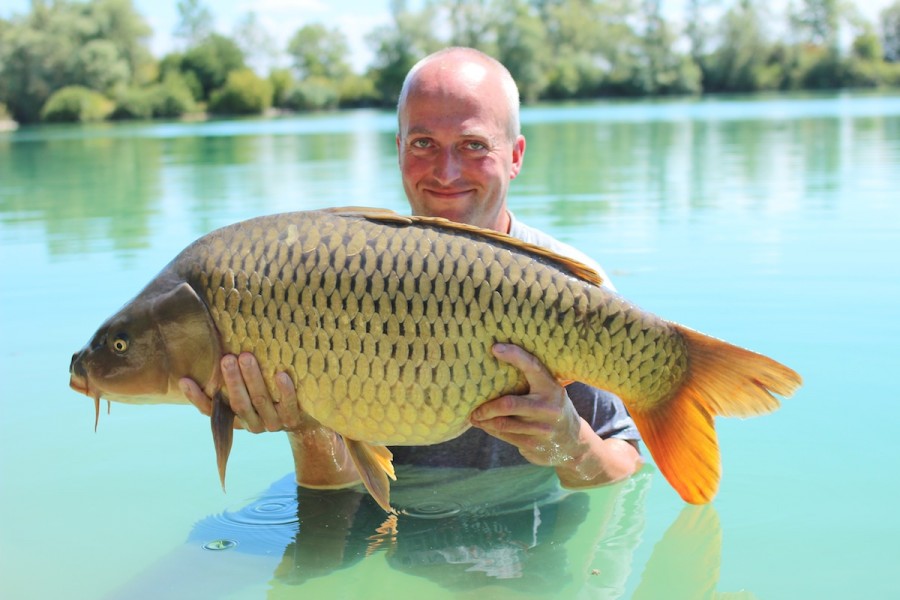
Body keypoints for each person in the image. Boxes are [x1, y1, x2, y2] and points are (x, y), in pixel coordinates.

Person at [179, 47, 642, 499]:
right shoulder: (336, 278)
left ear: (516, 156)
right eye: (424, 144)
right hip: (391, 531)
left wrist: (570, 444)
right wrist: (307, 426)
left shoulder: (565, 290)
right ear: (399, 149)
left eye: (473, 145)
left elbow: (625, 465)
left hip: (531, 539)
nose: (446, 171)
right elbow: (338, 494)